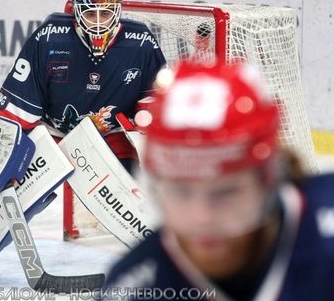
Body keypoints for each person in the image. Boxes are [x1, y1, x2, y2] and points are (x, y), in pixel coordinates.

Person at [102, 61, 334, 300]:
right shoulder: (134, 287)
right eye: (181, 192)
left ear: (267, 181)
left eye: (225, 192)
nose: (200, 217)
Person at [0, 0, 166, 171]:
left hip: (113, 137)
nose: (98, 23)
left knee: (133, 195)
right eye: (90, 14)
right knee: (6, 182)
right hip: (53, 135)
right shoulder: (49, 37)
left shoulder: (141, 43)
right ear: (77, 13)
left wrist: (148, 122)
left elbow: (154, 98)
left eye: (106, 14)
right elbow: (19, 101)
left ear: (117, 13)